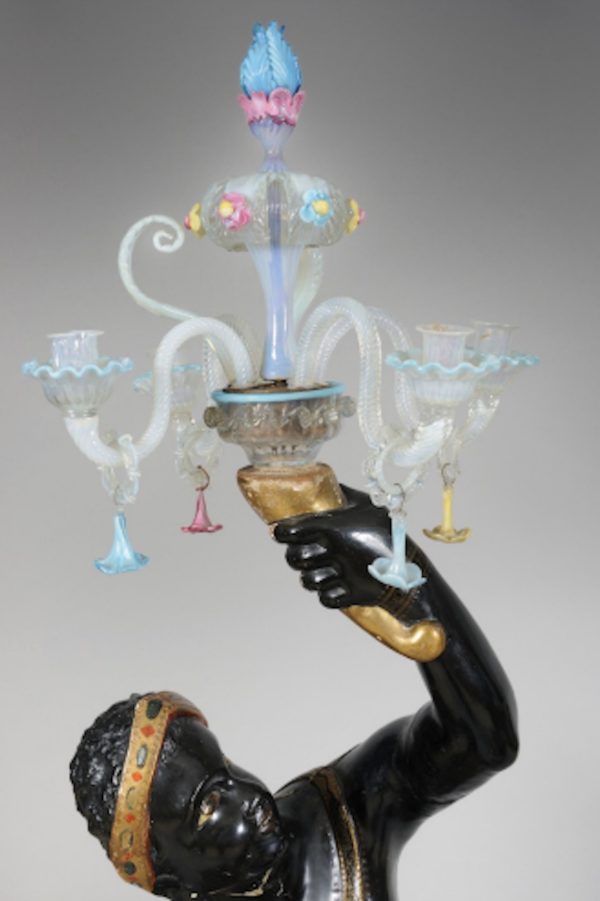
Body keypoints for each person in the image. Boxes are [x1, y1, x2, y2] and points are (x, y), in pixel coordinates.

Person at [70, 487, 518, 901]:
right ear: (173, 882)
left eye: (226, 767)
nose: (248, 795)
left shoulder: (339, 815)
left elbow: (482, 743)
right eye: (209, 804)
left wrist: (406, 585)